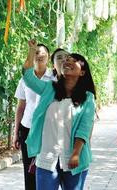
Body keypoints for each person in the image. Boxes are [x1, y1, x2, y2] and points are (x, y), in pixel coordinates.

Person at [21, 40, 96, 190]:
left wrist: (75, 153)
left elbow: (84, 127)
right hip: (46, 158)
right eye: (66, 60)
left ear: (82, 72)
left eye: (73, 61)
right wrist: (31, 51)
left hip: (75, 159)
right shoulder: (49, 88)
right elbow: (28, 77)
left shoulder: (87, 98)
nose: (68, 62)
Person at [13, 43, 55, 190]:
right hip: (28, 129)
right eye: (36, 53)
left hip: (48, 131)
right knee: (29, 170)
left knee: (47, 170)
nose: (39, 56)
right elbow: (21, 107)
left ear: (48, 57)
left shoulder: (55, 78)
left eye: (43, 54)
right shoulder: (25, 79)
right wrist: (16, 133)